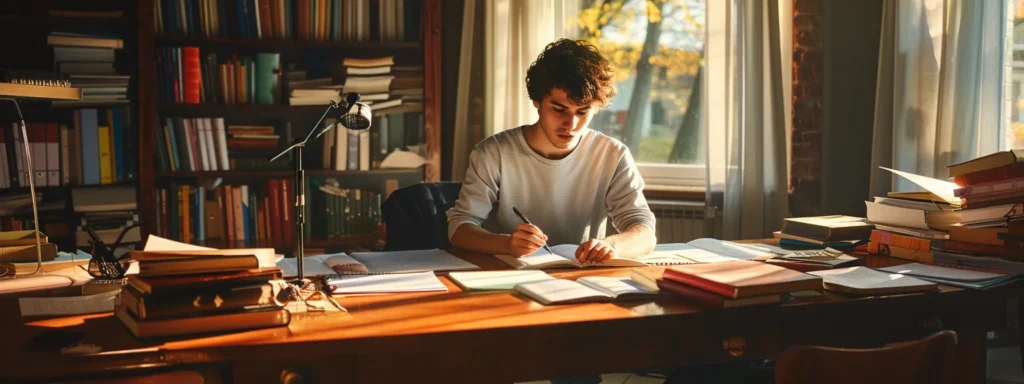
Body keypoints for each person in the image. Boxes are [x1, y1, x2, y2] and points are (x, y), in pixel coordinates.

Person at [446, 38, 656, 263]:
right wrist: (507, 244)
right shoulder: (493, 153)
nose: (571, 124)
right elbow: (460, 228)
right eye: (559, 109)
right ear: (537, 101)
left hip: (582, 277)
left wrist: (612, 245)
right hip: (509, 274)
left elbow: (644, 232)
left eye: (583, 111)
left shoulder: (613, 155)